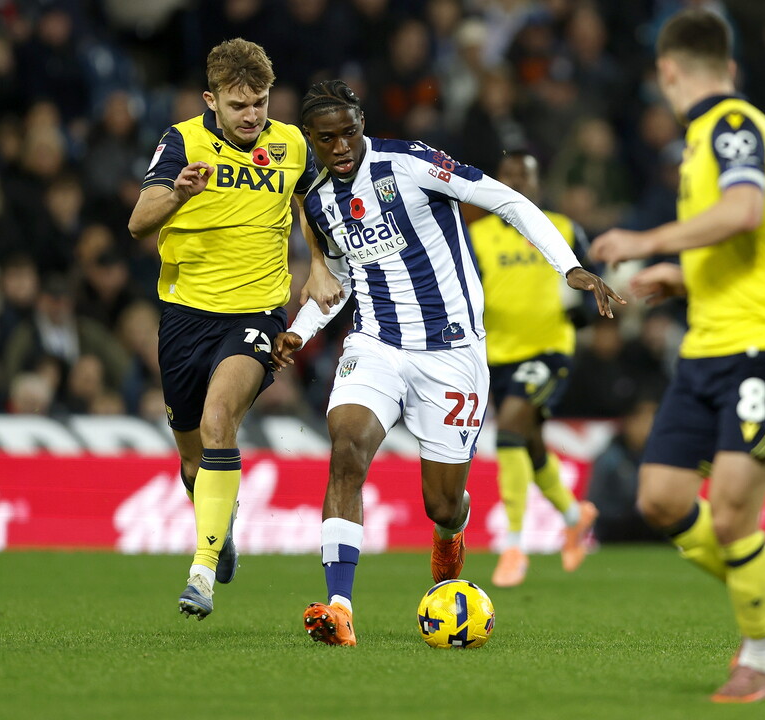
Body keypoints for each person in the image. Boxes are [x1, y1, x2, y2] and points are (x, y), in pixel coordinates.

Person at [273, 80, 624, 646]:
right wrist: (299, 331)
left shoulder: (410, 163)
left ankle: (449, 536)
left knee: (442, 503)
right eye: (326, 139)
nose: (340, 147)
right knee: (346, 449)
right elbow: (337, 279)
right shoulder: (315, 199)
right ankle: (340, 606)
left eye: (349, 133)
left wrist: (569, 268)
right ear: (310, 140)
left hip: (452, 353)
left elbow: (506, 200)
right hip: (377, 344)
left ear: (362, 124)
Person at [589, 9, 765, 704]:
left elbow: (747, 210)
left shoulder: (730, 126)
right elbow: (749, 245)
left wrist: (648, 241)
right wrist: (682, 276)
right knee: (660, 498)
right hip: (708, 351)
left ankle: (763, 659)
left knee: (727, 516)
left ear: (667, 71)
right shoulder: (702, 140)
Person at [127, 38, 339, 620]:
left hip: (257, 313)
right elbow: (137, 223)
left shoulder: (292, 144)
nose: (253, 116)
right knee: (194, 462)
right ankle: (220, 527)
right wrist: (178, 193)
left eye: (261, 103)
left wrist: (318, 266)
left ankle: (201, 573)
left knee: (222, 420)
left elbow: (310, 208)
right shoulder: (181, 143)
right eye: (240, 105)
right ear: (211, 100)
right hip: (185, 317)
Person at [467, 150, 598, 588]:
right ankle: (575, 516)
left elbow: (585, 279)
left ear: (538, 183)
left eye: (525, 175)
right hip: (497, 355)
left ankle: (513, 545)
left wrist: (585, 312)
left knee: (509, 428)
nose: (517, 183)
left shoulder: (559, 228)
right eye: (508, 176)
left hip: (547, 350)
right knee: (530, 441)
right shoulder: (476, 236)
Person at [585, 397, 664, 544]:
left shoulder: (660, 456)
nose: (651, 427)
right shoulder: (610, 458)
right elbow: (597, 504)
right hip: (617, 531)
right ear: (629, 422)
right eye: (645, 421)